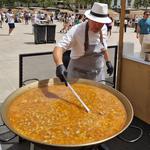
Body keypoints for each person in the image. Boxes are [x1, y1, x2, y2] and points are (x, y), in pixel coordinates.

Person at [53, 2, 113, 84]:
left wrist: (108, 61)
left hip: (97, 76)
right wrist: (59, 65)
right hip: (77, 76)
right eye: (95, 22)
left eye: (101, 23)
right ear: (89, 18)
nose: (98, 26)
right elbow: (59, 47)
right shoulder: (77, 30)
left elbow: (103, 48)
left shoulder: (104, 29)